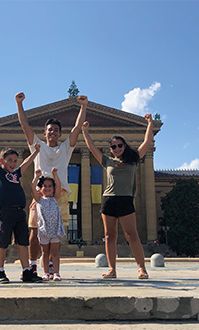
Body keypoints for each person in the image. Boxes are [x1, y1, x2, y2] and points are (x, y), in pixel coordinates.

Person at [15, 92, 88, 274]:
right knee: (34, 231)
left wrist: (83, 107)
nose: (53, 132)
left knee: (55, 235)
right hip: (40, 195)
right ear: (45, 132)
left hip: (59, 194)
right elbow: (25, 126)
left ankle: (51, 266)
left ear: (59, 133)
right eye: (50, 129)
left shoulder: (65, 148)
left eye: (56, 130)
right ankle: (33, 265)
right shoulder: (37, 146)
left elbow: (77, 127)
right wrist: (19, 104)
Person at [81, 114, 155, 279]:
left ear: (124, 146)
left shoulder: (133, 160)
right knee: (109, 236)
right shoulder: (108, 161)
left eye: (119, 145)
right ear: (110, 149)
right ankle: (112, 269)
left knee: (131, 234)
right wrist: (85, 131)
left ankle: (142, 268)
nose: (117, 148)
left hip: (126, 199)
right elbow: (92, 147)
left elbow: (147, 141)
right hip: (109, 200)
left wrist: (149, 124)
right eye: (114, 147)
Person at [0, 124, 43, 284]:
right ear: (2, 161)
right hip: (6, 212)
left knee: (23, 243)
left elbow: (27, 162)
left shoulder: (16, 173)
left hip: (19, 212)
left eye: (15, 161)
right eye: (9, 160)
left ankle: (26, 272)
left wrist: (36, 152)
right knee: (3, 243)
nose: (12, 163)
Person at [30, 168, 65, 281]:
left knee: (54, 252)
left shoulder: (55, 198)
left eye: (50, 186)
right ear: (40, 189)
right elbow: (32, 187)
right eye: (45, 186)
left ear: (53, 189)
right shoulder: (39, 199)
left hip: (54, 229)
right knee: (45, 253)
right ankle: (45, 273)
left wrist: (55, 175)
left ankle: (56, 273)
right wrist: (36, 176)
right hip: (44, 230)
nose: (47, 188)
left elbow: (59, 186)